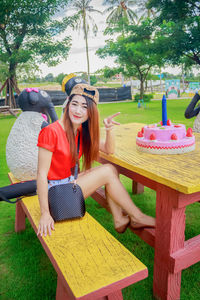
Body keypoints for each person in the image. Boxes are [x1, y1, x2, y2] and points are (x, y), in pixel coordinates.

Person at [37, 83, 155, 237]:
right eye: (74, 104)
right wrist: (45, 213)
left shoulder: (79, 130)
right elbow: (40, 174)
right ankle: (137, 217)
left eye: (85, 107)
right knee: (107, 172)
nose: (78, 111)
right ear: (68, 103)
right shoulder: (50, 132)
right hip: (56, 197)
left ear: (91, 112)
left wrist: (109, 130)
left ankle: (119, 219)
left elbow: (108, 150)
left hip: (68, 184)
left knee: (111, 170)